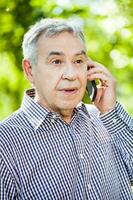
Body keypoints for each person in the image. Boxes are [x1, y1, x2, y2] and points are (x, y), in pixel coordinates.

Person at [0, 18, 132, 200]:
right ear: (30, 70)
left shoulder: (105, 119)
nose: (71, 75)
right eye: (56, 61)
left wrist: (110, 112)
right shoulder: (5, 143)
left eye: (78, 61)